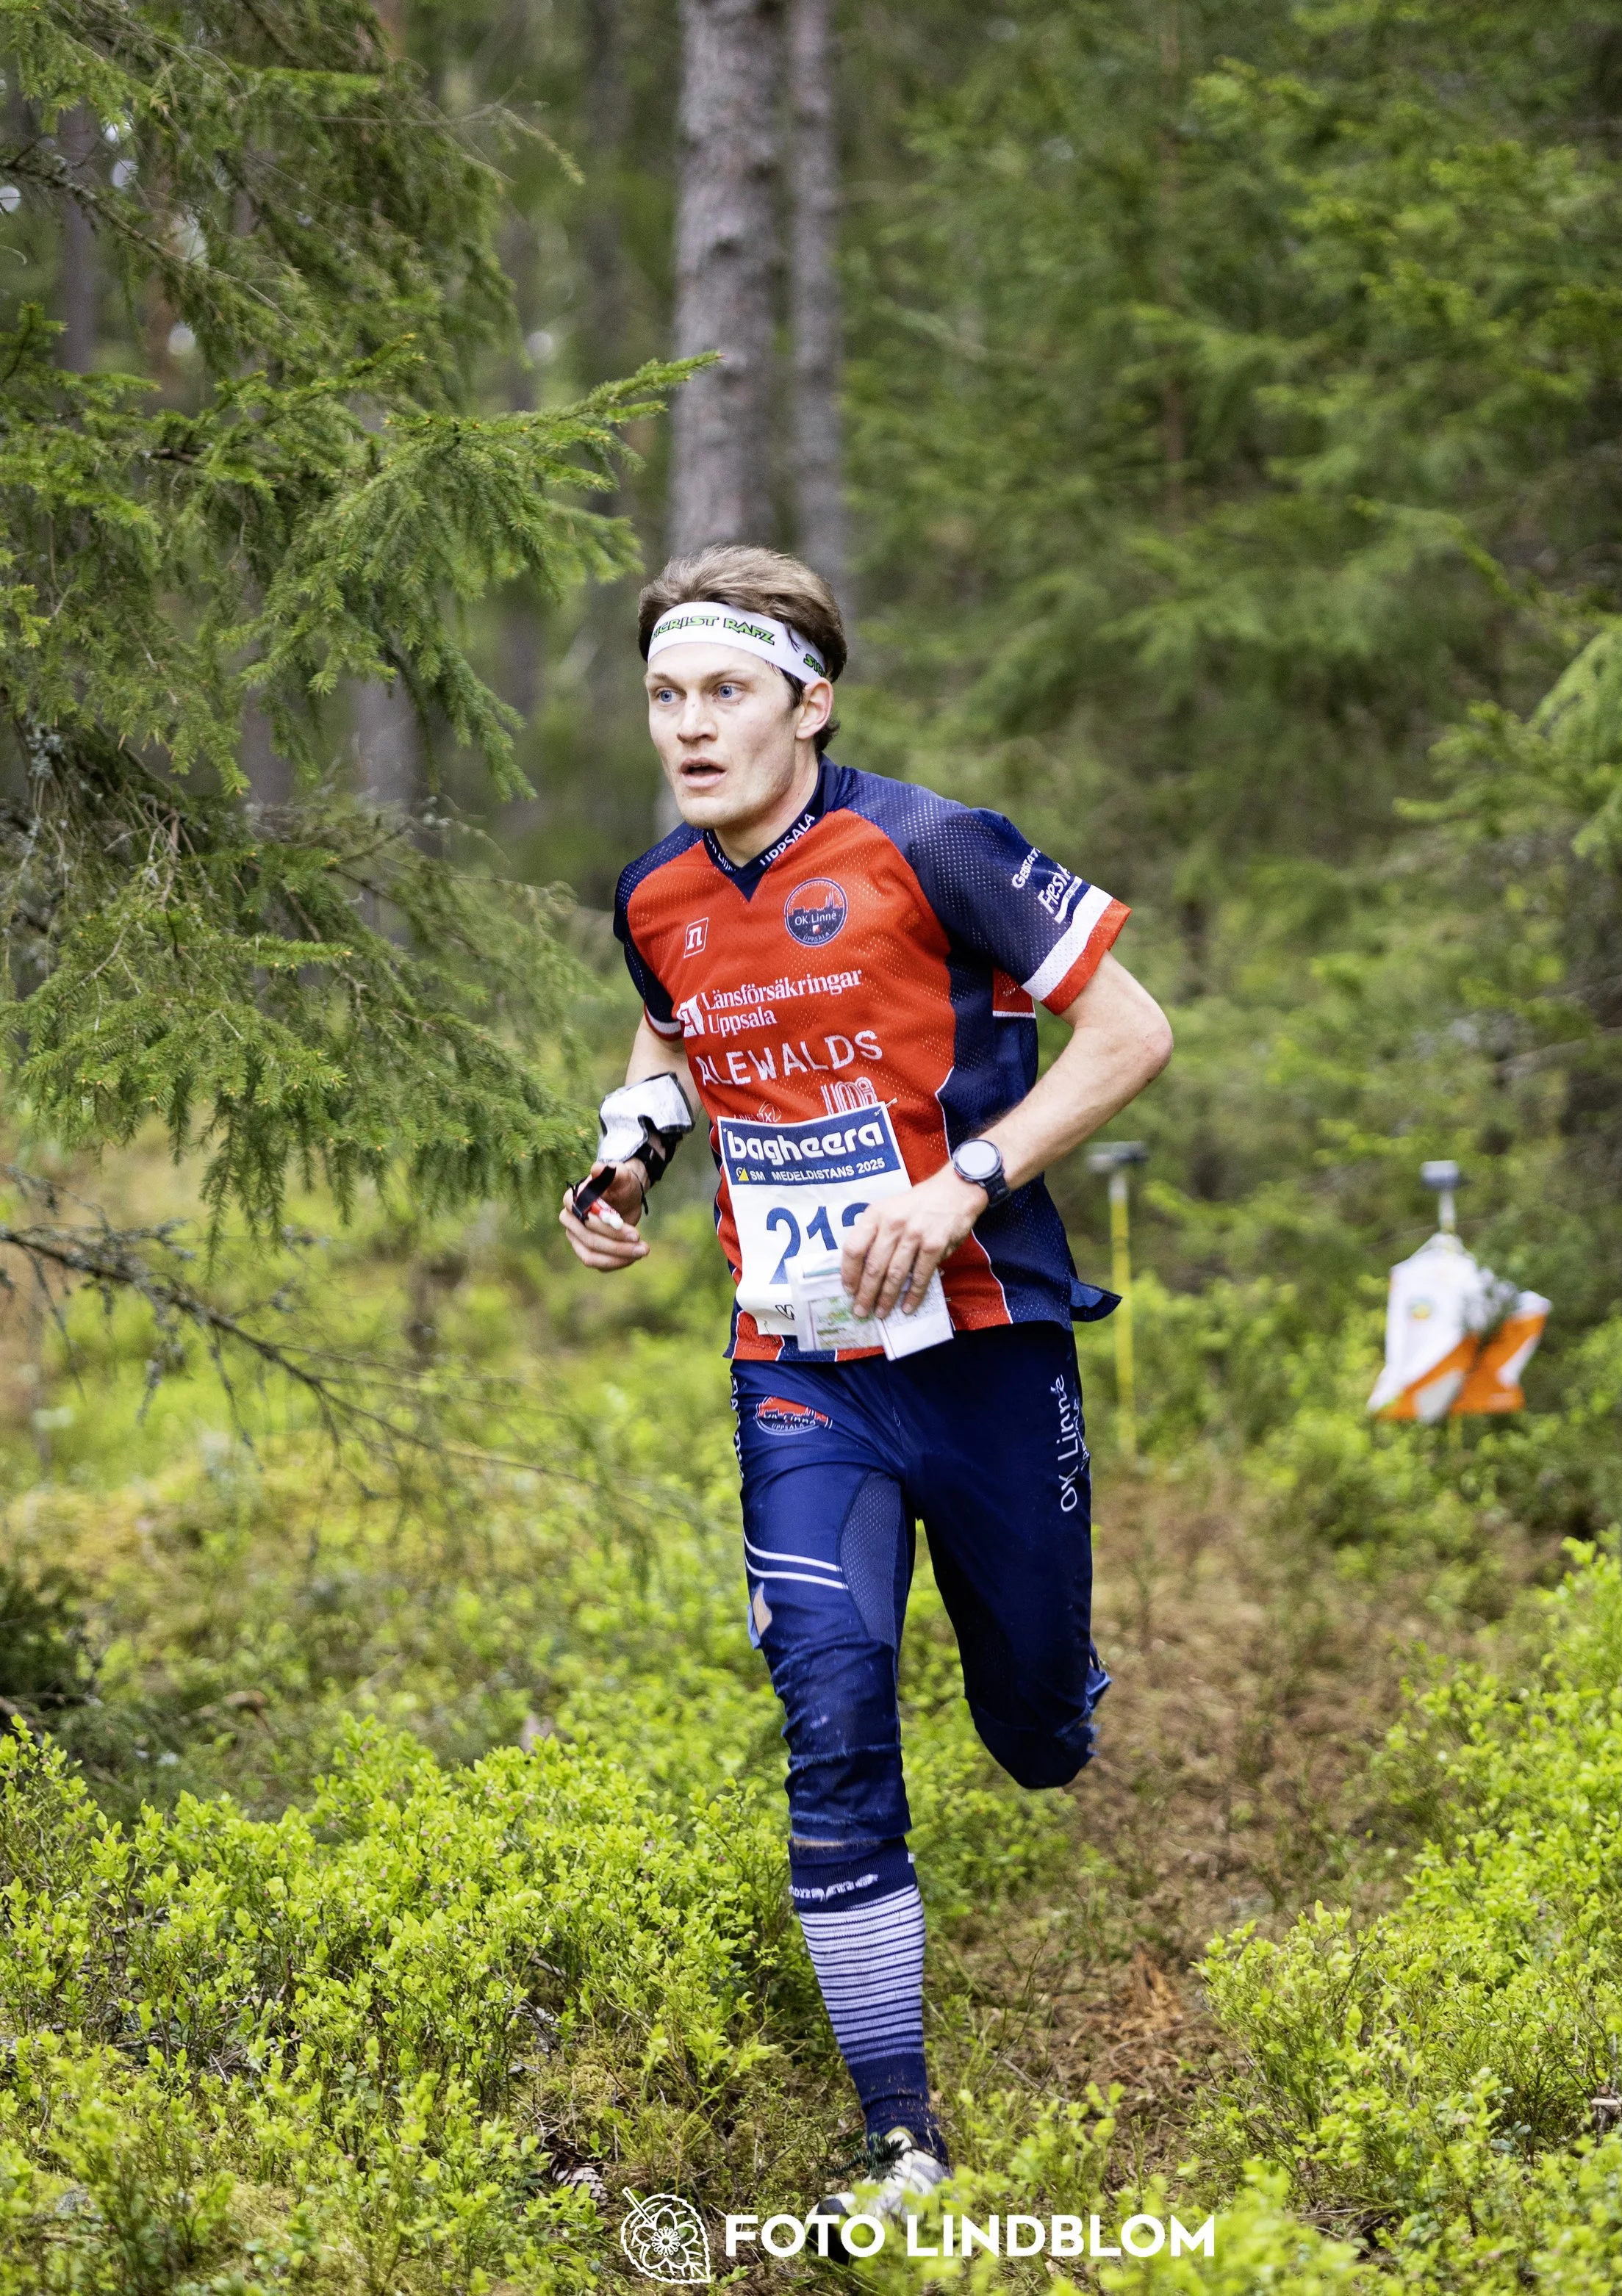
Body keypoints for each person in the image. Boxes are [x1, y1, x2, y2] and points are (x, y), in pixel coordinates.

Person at [559, 544, 1171, 2224]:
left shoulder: (935, 845)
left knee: (1035, 1728)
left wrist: (966, 1173)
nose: (690, 729)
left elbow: (1131, 1032)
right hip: (798, 1362)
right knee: (827, 1706)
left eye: (726, 694)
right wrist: (622, 1163)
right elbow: (674, 1034)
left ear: (806, 703)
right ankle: (900, 2134)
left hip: (983, 1346)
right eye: (666, 697)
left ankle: (1041, 1694)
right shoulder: (651, 896)